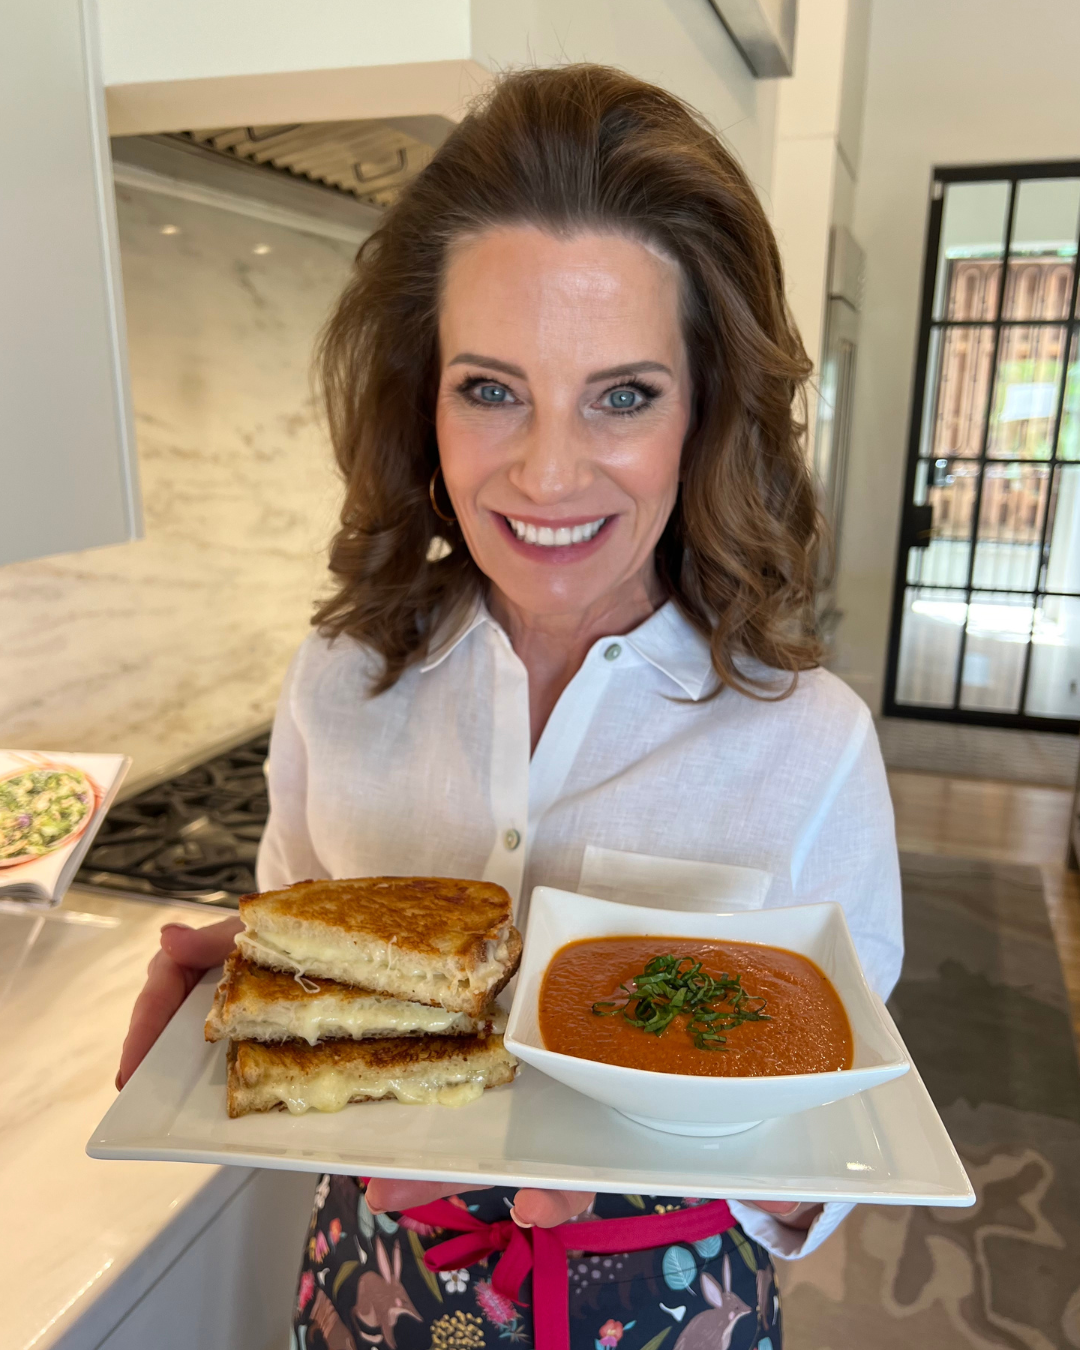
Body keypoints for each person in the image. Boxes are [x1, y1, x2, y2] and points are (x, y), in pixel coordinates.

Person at [118, 64, 902, 1349]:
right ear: (421, 402)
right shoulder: (340, 680)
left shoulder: (807, 745)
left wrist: (635, 1128)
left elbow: (836, 1147)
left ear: (705, 409)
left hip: (667, 1309)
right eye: (491, 389)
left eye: (624, 394)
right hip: (367, 1285)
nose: (546, 472)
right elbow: (303, 938)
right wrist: (255, 983)